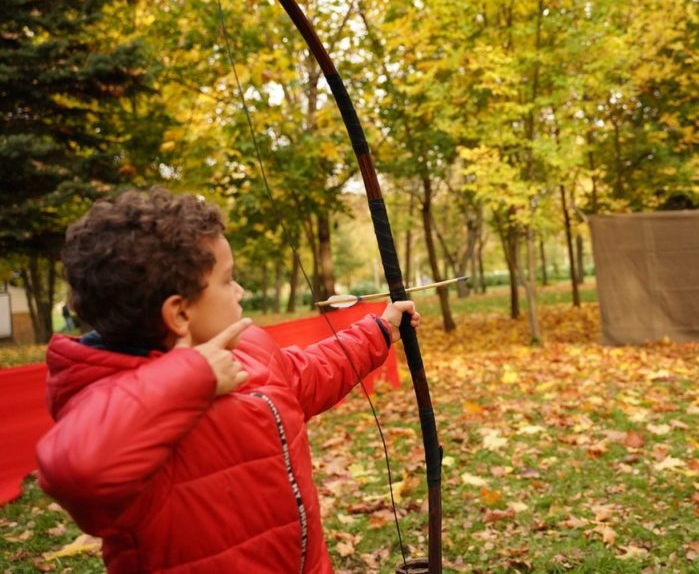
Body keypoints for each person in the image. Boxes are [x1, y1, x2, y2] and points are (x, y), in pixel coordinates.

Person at [35, 188, 419, 573]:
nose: (241, 291)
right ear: (180, 313)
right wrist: (192, 376)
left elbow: (307, 373)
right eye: (228, 279)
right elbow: (80, 471)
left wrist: (380, 331)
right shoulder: (109, 398)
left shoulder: (244, 349)